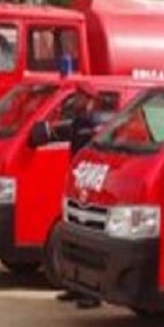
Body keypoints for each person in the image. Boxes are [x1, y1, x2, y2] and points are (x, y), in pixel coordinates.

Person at [56, 90, 105, 309]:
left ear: (88, 100)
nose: (75, 100)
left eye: (79, 97)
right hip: (77, 178)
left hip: (89, 180)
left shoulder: (93, 123)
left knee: (89, 240)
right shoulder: (78, 121)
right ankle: (75, 285)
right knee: (73, 237)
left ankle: (92, 293)